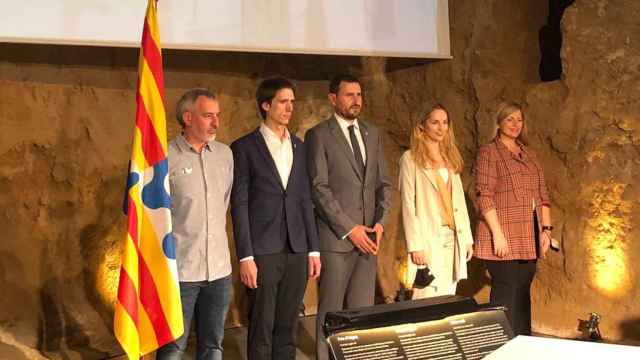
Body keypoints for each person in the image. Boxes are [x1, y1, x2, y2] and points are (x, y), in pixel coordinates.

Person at [230, 77, 321, 360]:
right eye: (283, 102)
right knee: (261, 327)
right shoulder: (244, 148)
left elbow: (305, 200)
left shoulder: (300, 146)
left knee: (288, 326)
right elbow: (240, 204)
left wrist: (313, 248)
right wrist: (246, 256)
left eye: (292, 102)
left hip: (297, 249)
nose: (289, 107)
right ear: (266, 105)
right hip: (263, 251)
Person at [305, 74, 392, 360]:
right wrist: (349, 228)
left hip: (368, 239)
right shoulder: (319, 135)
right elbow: (319, 187)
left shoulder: (372, 133)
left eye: (359, 94)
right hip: (337, 239)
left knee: (361, 310)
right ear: (333, 99)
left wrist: (380, 222)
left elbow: (384, 184)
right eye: (349, 95)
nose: (356, 100)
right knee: (331, 310)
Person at [156, 89, 233, 360]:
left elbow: (222, 205)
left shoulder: (225, 155)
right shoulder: (164, 158)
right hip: (181, 273)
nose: (216, 123)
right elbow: (153, 216)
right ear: (188, 118)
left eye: (218, 116)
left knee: (213, 346)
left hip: (219, 272)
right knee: (173, 348)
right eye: (208, 115)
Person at [473, 101, 552, 335]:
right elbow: (483, 195)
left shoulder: (529, 154)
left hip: (528, 236)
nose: (515, 124)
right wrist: (498, 234)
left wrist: (546, 231)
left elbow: (542, 194)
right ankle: (502, 346)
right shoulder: (489, 152)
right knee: (506, 295)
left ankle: (523, 344)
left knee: (523, 292)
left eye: (519, 119)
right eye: (510, 119)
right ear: (498, 122)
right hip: (502, 234)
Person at [399, 104, 474, 299]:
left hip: (452, 236)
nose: (441, 128)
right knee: (427, 295)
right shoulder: (410, 159)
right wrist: (415, 245)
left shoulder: (450, 157)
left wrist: (466, 239)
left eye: (444, 122)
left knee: (449, 293)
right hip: (428, 237)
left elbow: (458, 201)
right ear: (422, 125)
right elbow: (408, 204)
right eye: (434, 122)